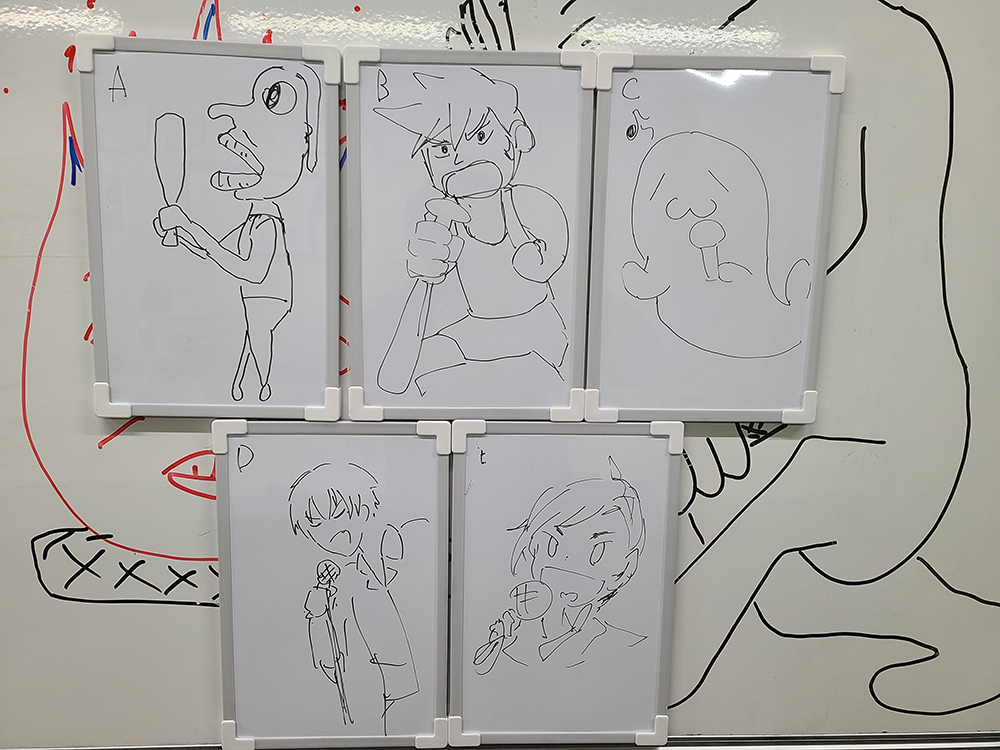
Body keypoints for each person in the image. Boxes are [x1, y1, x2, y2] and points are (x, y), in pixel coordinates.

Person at [373, 67, 570, 395]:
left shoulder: (527, 204)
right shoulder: (446, 222)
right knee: (417, 369)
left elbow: (544, 261)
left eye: (480, 137)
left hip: (539, 331)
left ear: (513, 140)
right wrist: (426, 273)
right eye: (442, 149)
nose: (461, 159)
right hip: (479, 332)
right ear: (429, 165)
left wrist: (531, 253)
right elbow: (393, 378)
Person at [154, 63, 321, 401]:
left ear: (306, 139)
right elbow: (211, 251)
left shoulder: (267, 224)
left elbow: (251, 271)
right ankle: (245, 384)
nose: (227, 118)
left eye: (274, 99)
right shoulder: (251, 223)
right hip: (255, 296)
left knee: (257, 332)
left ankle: (264, 386)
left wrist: (191, 228)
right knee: (252, 334)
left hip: (269, 296)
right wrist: (182, 229)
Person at [474, 457, 647, 673]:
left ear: (627, 568)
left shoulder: (626, 649)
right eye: (552, 544)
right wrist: (503, 647)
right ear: (534, 548)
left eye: (598, 550)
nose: (567, 564)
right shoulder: (514, 642)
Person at [288, 462, 419, 734]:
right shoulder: (327, 582)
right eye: (317, 522)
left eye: (342, 514)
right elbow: (322, 640)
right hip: (346, 676)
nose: (335, 529)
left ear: (363, 511)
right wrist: (319, 614)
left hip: (376, 677)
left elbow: (391, 638)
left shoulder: (369, 575)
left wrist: (396, 682)